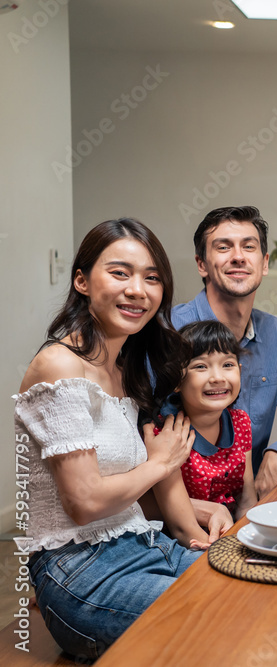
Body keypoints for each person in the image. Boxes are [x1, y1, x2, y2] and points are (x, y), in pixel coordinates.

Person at [16, 218, 202, 660]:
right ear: (82, 280)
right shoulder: (59, 366)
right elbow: (84, 503)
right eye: (120, 273)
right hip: (77, 570)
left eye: (152, 278)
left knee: (250, 588)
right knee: (211, 619)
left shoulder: (123, 368)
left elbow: (120, 491)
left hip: (142, 544)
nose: (138, 289)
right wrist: (159, 464)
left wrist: (196, 507)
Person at [172, 206, 277, 498]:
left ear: (264, 263)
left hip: (250, 504)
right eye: (223, 247)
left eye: (248, 247)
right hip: (179, 517)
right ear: (202, 264)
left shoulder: (275, 335)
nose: (238, 256)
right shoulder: (169, 332)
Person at [156, 321, 257, 522]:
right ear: (177, 379)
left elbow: (247, 498)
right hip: (185, 537)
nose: (218, 377)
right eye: (201, 366)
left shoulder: (240, 422)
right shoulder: (166, 434)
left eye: (228, 365)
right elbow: (176, 520)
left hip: (230, 531)